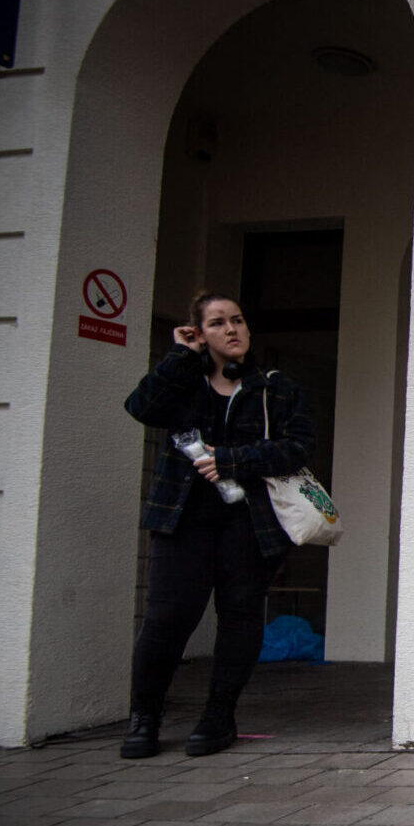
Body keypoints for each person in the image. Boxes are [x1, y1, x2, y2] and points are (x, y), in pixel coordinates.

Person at [120, 292, 315, 758]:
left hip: (250, 524)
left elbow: (298, 448)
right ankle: (144, 717)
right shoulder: (183, 383)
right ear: (199, 333)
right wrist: (179, 355)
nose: (232, 330)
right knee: (167, 620)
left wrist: (231, 460)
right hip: (182, 518)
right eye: (217, 323)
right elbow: (141, 408)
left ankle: (218, 715)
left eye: (238, 320)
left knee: (240, 618)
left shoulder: (276, 389)